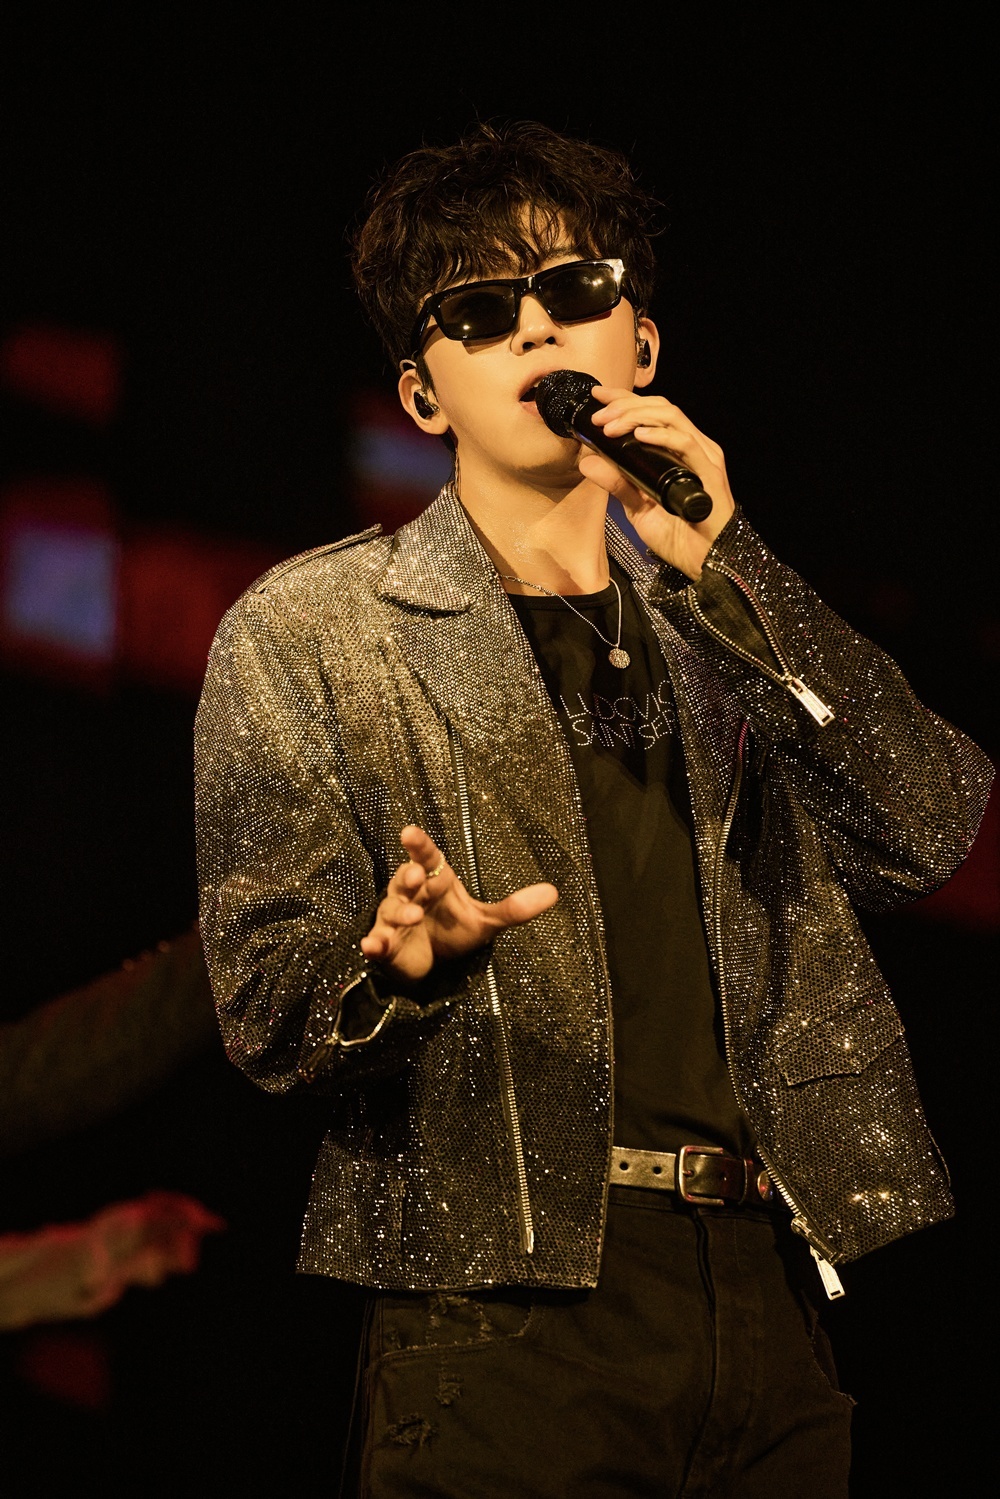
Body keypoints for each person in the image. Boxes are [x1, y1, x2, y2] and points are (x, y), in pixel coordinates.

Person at [194, 121, 992, 1497]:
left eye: (573, 289)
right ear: (422, 396)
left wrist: (731, 570)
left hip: (768, 1284)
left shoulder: (720, 610)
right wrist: (402, 971)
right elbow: (267, 1008)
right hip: (504, 1313)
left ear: (643, 344)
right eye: (478, 311)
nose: (535, 329)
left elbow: (926, 825)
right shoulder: (314, 630)